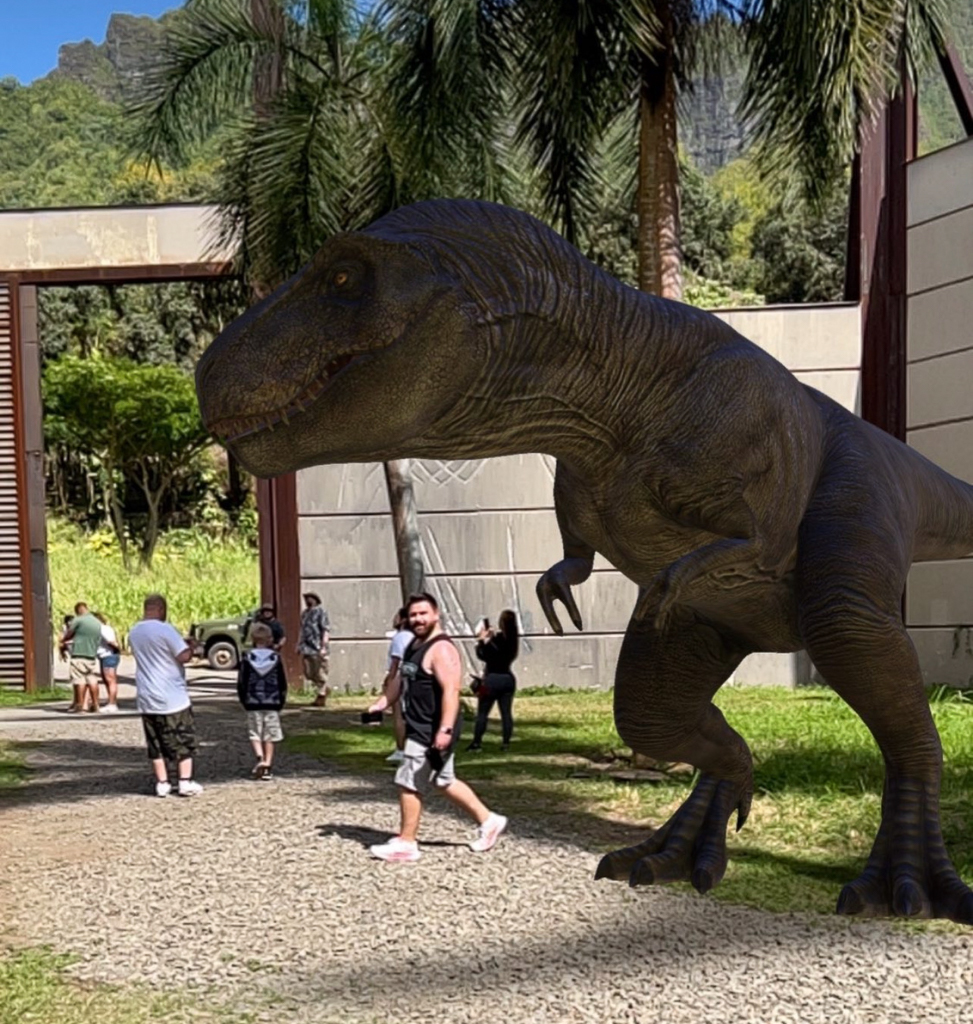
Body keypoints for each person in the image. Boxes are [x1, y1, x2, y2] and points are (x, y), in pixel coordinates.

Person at [366, 592, 507, 862]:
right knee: (444, 780)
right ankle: (489, 821)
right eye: (413, 614)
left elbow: (451, 691)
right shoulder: (414, 644)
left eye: (423, 613)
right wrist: (382, 703)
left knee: (409, 781)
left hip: (432, 730)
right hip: (419, 726)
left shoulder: (441, 649)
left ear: (436, 614)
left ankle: (406, 843)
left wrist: (444, 730)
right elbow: (400, 678)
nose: (417, 619)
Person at [128, 594, 202, 798]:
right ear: (161, 609)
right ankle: (184, 781)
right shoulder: (166, 629)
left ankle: (162, 783)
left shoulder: (134, 631)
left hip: (146, 694)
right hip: (172, 695)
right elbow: (183, 656)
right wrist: (192, 647)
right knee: (182, 739)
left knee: (155, 741)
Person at [237, 621, 287, 780]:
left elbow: (241, 681)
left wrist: (244, 699)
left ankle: (259, 758)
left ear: (253, 638)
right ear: (270, 639)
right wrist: (281, 700)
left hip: (253, 701)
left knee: (255, 732)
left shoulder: (247, 657)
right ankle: (268, 765)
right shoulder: (275, 658)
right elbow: (282, 682)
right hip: (272, 701)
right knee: (270, 734)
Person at [469, 609, 520, 752]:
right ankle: (506, 743)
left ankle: (477, 743)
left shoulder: (496, 639)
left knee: (483, 712)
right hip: (507, 678)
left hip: (491, 679)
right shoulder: (513, 641)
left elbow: (483, 655)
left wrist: (482, 640)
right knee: (506, 713)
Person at [382, 607, 414, 764]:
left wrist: (389, 679)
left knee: (398, 714)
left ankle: (401, 749)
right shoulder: (417, 636)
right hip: (414, 675)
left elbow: (396, 661)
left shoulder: (400, 637)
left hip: (402, 676)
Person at [60, 602, 102, 714]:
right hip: (91, 654)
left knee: (79, 680)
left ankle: (80, 705)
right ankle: (96, 704)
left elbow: (69, 634)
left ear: (77, 610)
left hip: (79, 653)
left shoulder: (78, 620)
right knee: (92, 679)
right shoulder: (97, 622)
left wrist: (63, 640)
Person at [297, 592, 330, 707]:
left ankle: (322, 693)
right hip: (306, 647)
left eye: (309, 598)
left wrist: (323, 646)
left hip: (317, 647)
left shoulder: (321, 612)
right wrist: (298, 645)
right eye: (306, 599)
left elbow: (325, 629)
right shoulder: (305, 613)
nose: (307, 600)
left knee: (319, 671)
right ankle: (323, 690)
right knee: (308, 672)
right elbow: (302, 630)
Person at [94, 611, 121, 713]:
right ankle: (111, 701)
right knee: (107, 679)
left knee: (110, 680)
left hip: (108, 655)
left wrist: (116, 648)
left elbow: (111, 641)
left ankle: (112, 703)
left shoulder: (102, 629)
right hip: (105, 655)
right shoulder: (106, 628)